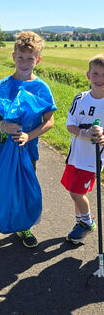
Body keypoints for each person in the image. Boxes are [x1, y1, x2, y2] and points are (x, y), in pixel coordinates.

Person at [0, 31, 57, 250]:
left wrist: (28, 136)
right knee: (0, 185)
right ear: (13, 57)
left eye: (30, 58)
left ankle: (24, 225)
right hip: (2, 147)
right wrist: (1, 124)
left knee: (25, 186)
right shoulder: (4, 84)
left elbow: (49, 121)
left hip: (28, 147)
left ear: (38, 60)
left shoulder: (41, 88)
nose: (25, 62)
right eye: (21, 57)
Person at [61, 53, 104, 244]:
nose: (99, 79)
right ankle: (79, 223)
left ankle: (87, 223)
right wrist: (84, 133)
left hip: (93, 159)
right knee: (72, 189)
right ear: (88, 75)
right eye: (95, 74)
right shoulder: (80, 98)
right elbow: (70, 125)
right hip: (75, 155)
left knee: (77, 193)